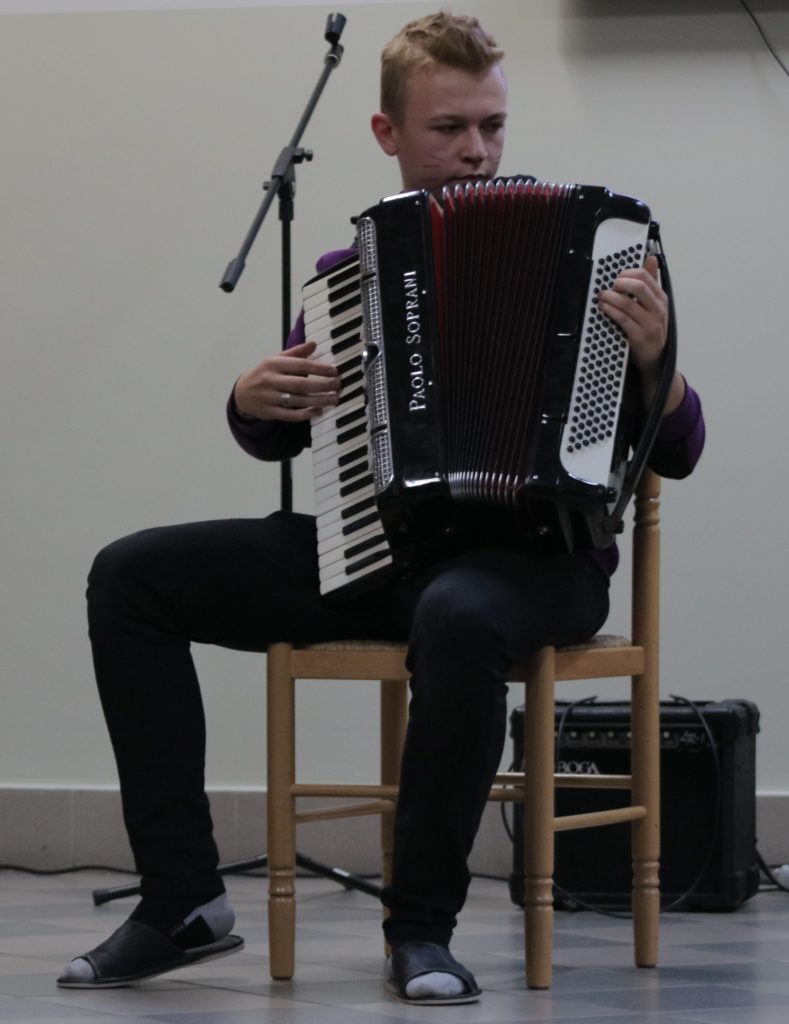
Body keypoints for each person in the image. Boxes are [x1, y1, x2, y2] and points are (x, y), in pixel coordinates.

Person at [58, 11, 705, 1005]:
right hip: (379, 553)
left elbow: (683, 448)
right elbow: (282, 436)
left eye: (492, 124)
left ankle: (421, 931)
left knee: (458, 613)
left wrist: (661, 360)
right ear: (386, 132)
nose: (477, 149)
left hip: (539, 566)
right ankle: (182, 900)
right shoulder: (348, 280)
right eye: (450, 128)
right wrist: (249, 399)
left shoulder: (604, 259)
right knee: (131, 575)